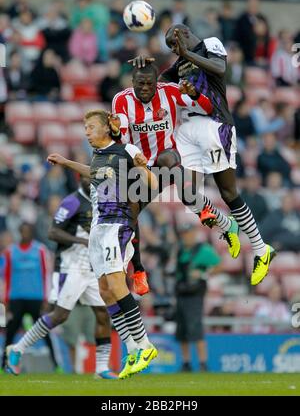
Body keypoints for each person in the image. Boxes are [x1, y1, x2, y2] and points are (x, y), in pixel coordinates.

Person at [130, 24, 275, 286]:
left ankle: (261, 249)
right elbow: (156, 82)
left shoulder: (209, 44)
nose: (174, 51)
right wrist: (142, 67)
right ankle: (225, 225)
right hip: (188, 129)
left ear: (182, 33)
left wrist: (186, 52)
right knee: (186, 190)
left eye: (173, 44)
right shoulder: (180, 63)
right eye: (172, 49)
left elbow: (220, 69)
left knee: (228, 192)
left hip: (214, 123)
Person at [44, 109, 159, 379]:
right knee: (105, 290)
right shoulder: (98, 156)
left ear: (107, 127)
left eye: (91, 126)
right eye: (85, 127)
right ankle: (132, 348)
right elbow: (94, 172)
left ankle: (144, 344)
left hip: (116, 224)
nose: (86, 131)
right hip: (98, 226)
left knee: (117, 285)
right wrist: (66, 162)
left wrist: (143, 167)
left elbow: (152, 184)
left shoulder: (126, 149)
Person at [110, 63, 241, 262]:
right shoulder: (121, 100)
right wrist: (117, 132)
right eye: (140, 83)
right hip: (142, 168)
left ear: (157, 83)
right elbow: (124, 140)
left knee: (172, 168)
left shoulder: (170, 91)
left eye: (149, 84)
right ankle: (137, 269)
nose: (145, 88)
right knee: (130, 213)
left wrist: (195, 94)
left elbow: (208, 108)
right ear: (132, 82)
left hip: (169, 160)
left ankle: (204, 209)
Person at [6, 178, 117, 379]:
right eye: (85, 176)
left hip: (91, 267)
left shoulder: (100, 199)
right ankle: (17, 349)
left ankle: (101, 368)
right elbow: (53, 232)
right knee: (59, 315)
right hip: (71, 265)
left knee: (103, 313)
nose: (90, 180)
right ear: (79, 179)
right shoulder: (72, 201)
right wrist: (81, 240)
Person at [1, 223, 59, 372]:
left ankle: (56, 365)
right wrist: (5, 300)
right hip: (16, 298)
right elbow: (6, 277)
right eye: (23, 231)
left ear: (32, 233)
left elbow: (47, 274)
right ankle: (3, 364)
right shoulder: (10, 252)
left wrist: (47, 298)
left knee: (43, 331)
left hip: (36, 298)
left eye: (28, 231)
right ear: (20, 232)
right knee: (11, 332)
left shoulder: (40, 250)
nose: (26, 234)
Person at [175, 223, 223, 372]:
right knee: (182, 330)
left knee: (196, 328)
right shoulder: (180, 250)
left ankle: (203, 363)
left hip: (195, 295)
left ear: (194, 234)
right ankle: (186, 362)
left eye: (188, 233)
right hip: (181, 293)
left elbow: (219, 266)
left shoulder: (203, 250)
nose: (185, 237)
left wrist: (203, 274)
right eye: (183, 234)